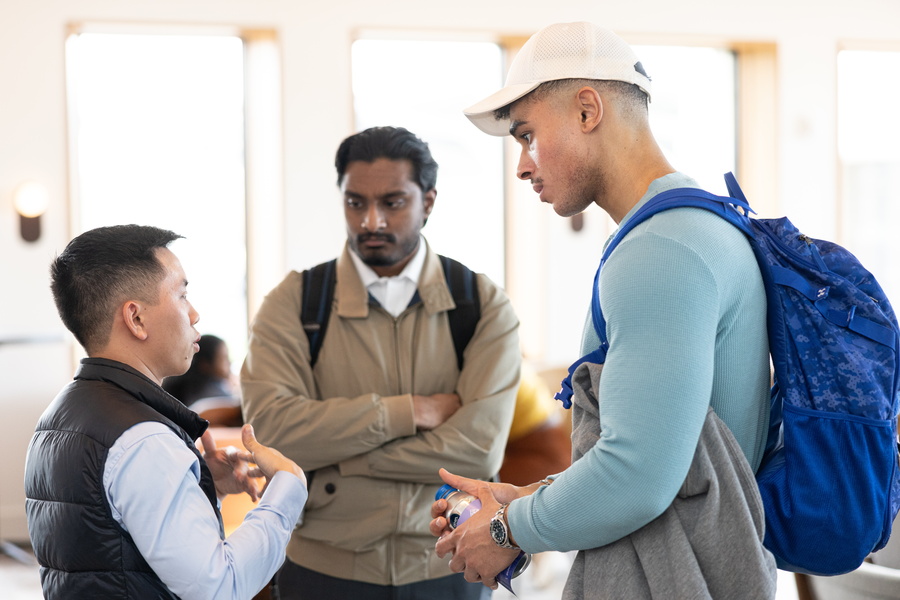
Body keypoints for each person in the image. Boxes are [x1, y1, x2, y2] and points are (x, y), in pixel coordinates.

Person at [430, 22, 776, 599]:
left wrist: (505, 528)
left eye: (527, 133)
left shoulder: (660, 250)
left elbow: (639, 476)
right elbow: (665, 452)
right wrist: (527, 498)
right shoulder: (701, 226)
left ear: (588, 110)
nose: (521, 164)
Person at [241, 126, 521, 599]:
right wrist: (408, 411)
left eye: (393, 202)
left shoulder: (481, 303)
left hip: (451, 563)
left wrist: (340, 459)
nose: (371, 220)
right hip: (322, 568)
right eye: (355, 203)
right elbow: (272, 433)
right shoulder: (293, 303)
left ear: (427, 202)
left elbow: (477, 451)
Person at [24, 224, 309, 600]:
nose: (194, 313)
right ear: (136, 318)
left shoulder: (60, 414)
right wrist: (288, 488)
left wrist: (199, 485)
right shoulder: (143, 441)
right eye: (182, 294)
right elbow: (220, 586)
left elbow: (109, 545)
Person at [164, 333, 244, 426]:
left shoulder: (181, 388)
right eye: (224, 358)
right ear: (205, 364)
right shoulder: (212, 392)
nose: (229, 363)